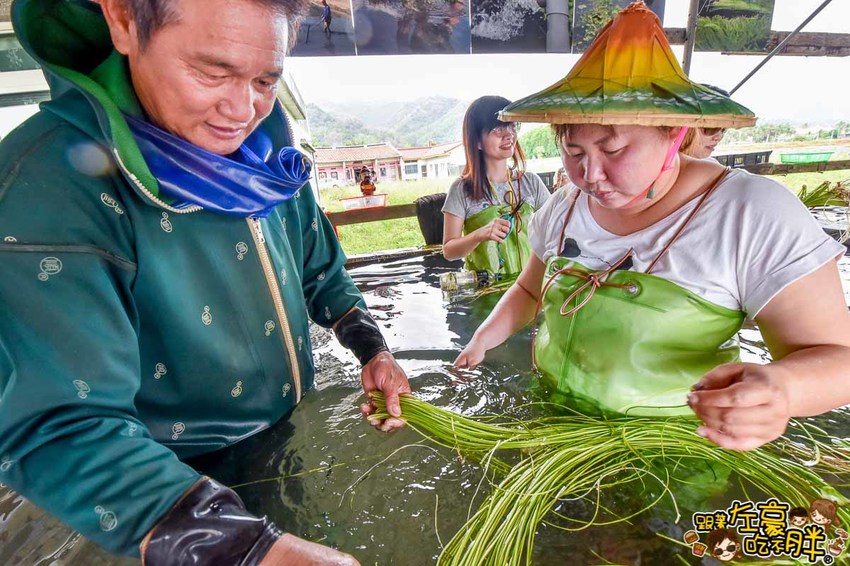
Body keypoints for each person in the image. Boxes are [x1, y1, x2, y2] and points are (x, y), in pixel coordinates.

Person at [0, 0, 412, 564]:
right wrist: (239, 547)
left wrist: (371, 347)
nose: (241, 110)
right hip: (162, 482)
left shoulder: (268, 155)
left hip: (287, 429)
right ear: (123, 22)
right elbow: (60, 423)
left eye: (266, 79)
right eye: (212, 73)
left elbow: (320, 267)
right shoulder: (48, 193)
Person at [454, 2, 850, 452]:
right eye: (574, 151)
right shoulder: (563, 206)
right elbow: (529, 291)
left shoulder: (751, 213)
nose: (591, 176)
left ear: (675, 135)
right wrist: (483, 338)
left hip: (670, 449)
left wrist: (782, 389)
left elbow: (839, 361)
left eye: (614, 150)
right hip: (555, 419)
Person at [442, 95, 550, 279]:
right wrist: (479, 234)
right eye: (499, 129)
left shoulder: (530, 182)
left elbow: (556, 228)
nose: (509, 135)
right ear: (476, 141)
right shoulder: (461, 189)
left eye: (512, 126)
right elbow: (449, 251)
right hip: (486, 290)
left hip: (531, 284)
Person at [680, 85, 731, 159]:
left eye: (724, 129)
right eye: (711, 126)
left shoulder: (711, 165)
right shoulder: (660, 163)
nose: (718, 137)